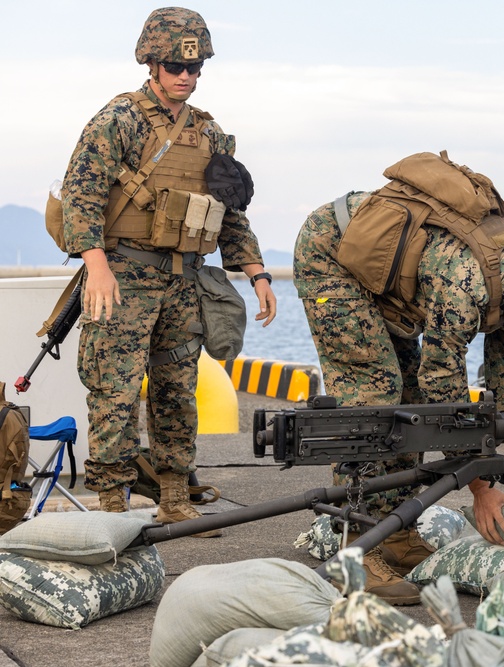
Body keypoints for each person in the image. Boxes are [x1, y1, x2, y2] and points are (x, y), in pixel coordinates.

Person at [294, 179, 504, 604]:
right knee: (375, 393)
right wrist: (478, 485)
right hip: (332, 257)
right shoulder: (464, 283)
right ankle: (357, 549)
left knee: (408, 404)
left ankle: (395, 533)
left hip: (385, 283)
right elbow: (443, 389)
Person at [61, 8, 277, 534]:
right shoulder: (118, 120)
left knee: (177, 388)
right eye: (174, 66)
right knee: (114, 389)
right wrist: (97, 268)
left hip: (184, 280)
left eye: (195, 67)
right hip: (123, 276)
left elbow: (230, 211)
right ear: (151, 64)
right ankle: (111, 499)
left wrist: (257, 273)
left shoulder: (210, 133)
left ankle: (175, 494)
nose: (185, 76)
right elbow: (80, 195)